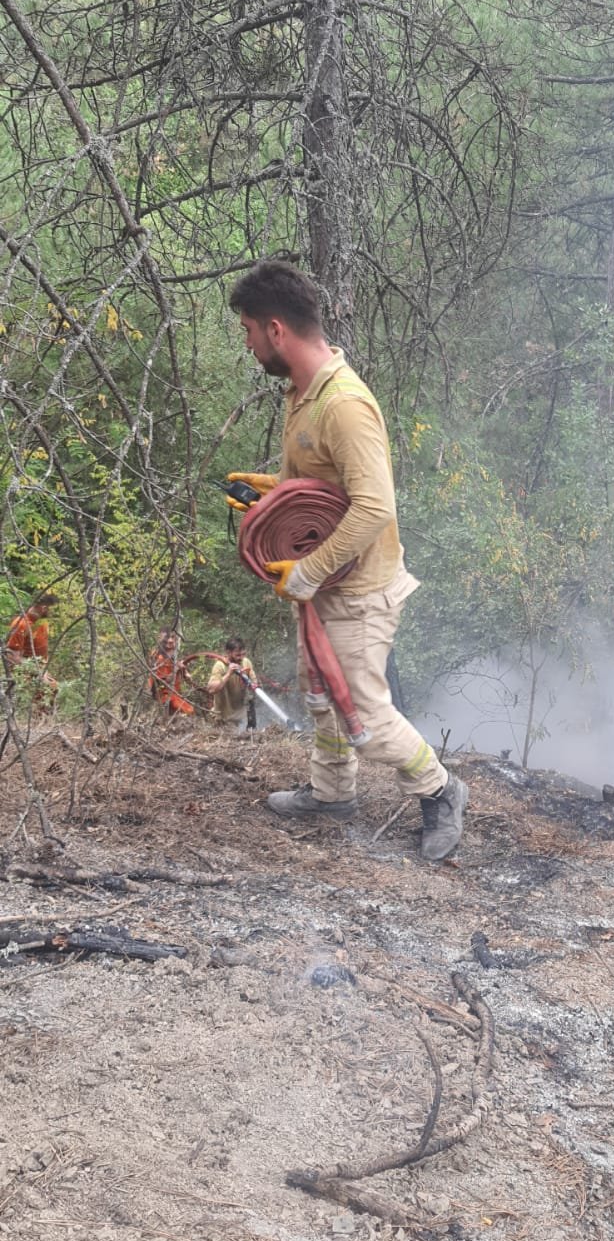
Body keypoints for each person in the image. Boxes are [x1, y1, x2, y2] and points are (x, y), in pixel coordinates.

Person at [226, 259, 467, 860]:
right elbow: (320, 486)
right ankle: (332, 793)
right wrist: (271, 495)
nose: (249, 344)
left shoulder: (343, 404)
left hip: (359, 591)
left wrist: (307, 571)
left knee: (363, 711)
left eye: (249, 331)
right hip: (326, 585)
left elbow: (375, 507)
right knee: (317, 692)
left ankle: (440, 790)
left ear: (276, 329)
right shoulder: (302, 393)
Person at [3, 592, 58, 709]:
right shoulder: (21, 624)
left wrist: (44, 670)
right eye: (51, 609)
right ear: (44, 608)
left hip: (39, 668)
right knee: (47, 689)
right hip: (24, 670)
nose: (52, 613)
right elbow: (11, 655)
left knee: (52, 689)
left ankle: (44, 719)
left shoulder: (42, 621)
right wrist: (36, 671)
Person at [207, 636, 258, 729]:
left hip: (241, 718)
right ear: (228, 652)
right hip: (223, 718)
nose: (241, 658)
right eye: (237, 655)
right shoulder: (220, 666)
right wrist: (228, 674)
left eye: (243, 654)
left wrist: (252, 684)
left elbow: (254, 682)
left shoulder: (246, 662)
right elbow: (211, 689)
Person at [148, 629, 194, 716]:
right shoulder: (158, 657)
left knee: (189, 711)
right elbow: (163, 682)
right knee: (189, 711)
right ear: (160, 639)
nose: (170, 640)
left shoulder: (174, 654)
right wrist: (176, 669)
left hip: (175, 693)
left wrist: (185, 673)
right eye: (166, 638)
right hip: (163, 696)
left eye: (173, 637)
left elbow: (187, 677)